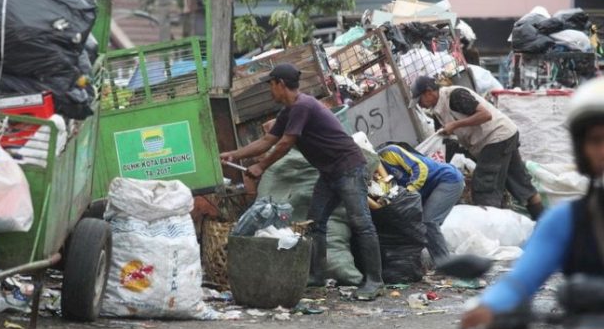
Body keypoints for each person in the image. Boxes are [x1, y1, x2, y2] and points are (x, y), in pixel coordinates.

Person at [220, 63, 384, 300]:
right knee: (316, 223)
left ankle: (375, 281)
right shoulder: (289, 111)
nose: (270, 91)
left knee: (361, 223)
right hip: (329, 173)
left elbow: (286, 143)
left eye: (271, 85)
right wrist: (235, 155)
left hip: (348, 168)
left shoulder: (302, 106)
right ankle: (317, 275)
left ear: (281, 84)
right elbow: (267, 141)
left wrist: (261, 166)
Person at [460, 77, 604, 329]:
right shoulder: (566, 220)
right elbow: (521, 279)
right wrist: (488, 306)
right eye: (595, 140)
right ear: (582, 150)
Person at [409, 76, 543, 220]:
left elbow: (485, 115)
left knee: (484, 187)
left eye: (420, 100)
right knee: (521, 183)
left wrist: (455, 125)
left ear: (429, 92)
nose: (421, 105)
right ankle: (543, 222)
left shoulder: (454, 96)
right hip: (503, 136)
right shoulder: (438, 110)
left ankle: (491, 229)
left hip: (496, 137)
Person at [377, 143, 464, 265]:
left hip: (447, 179)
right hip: (426, 191)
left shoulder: (390, 152)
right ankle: (436, 261)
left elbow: (421, 168)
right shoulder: (378, 175)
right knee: (417, 225)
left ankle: (445, 265)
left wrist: (409, 191)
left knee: (429, 221)